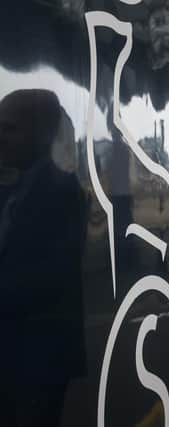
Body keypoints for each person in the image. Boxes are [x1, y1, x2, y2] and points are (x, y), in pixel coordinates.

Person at [0, 89, 87, 426]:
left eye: (10, 129)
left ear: (40, 133)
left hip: (38, 358)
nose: (0, 137)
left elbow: (49, 278)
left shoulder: (62, 193)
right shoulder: (13, 188)